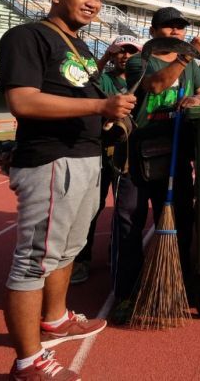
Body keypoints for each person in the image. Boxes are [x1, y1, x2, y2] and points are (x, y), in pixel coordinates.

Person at [0, 0, 136, 380]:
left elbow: (82, 100)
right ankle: (27, 363)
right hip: (53, 162)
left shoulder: (80, 46)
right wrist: (99, 108)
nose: (93, 2)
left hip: (85, 159)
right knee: (33, 263)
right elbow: (22, 101)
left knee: (67, 251)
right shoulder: (27, 37)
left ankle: (55, 319)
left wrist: (110, 121)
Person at [111, 7, 200, 323]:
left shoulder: (192, 66)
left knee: (181, 221)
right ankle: (126, 294)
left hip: (177, 154)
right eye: (169, 27)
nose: (176, 32)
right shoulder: (143, 58)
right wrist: (186, 56)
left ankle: (174, 284)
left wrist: (196, 100)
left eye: (180, 28)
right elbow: (154, 86)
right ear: (154, 31)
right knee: (129, 224)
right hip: (139, 157)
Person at [72, 35, 142, 286]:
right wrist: (103, 56)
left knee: (125, 209)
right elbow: (84, 81)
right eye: (120, 51)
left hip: (130, 153)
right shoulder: (103, 77)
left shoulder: (143, 79)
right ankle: (81, 258)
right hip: (102, 151)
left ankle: (117, 252)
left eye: (131, 51)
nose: (125, 55)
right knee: (92, 207)